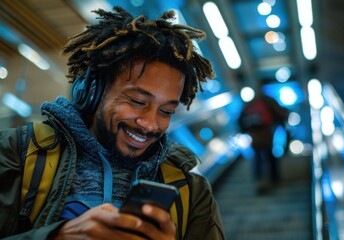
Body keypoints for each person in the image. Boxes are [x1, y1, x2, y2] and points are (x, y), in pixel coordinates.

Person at [0, 6, 225, 240]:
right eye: (137, 101)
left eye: (166, 111)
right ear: (93, 91)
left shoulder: (191, 190)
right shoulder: (16, 153)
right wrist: (56, 236)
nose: (150, 124)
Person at [238, 80, 289, 193]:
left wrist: (244, 131)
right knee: (270, 155)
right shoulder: (268, 100)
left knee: (257, 157)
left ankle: (259, 180)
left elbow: (241, 119)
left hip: (254, 135)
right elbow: (280, 113)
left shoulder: (250, 103)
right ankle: (274, 178)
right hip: (266, 134)